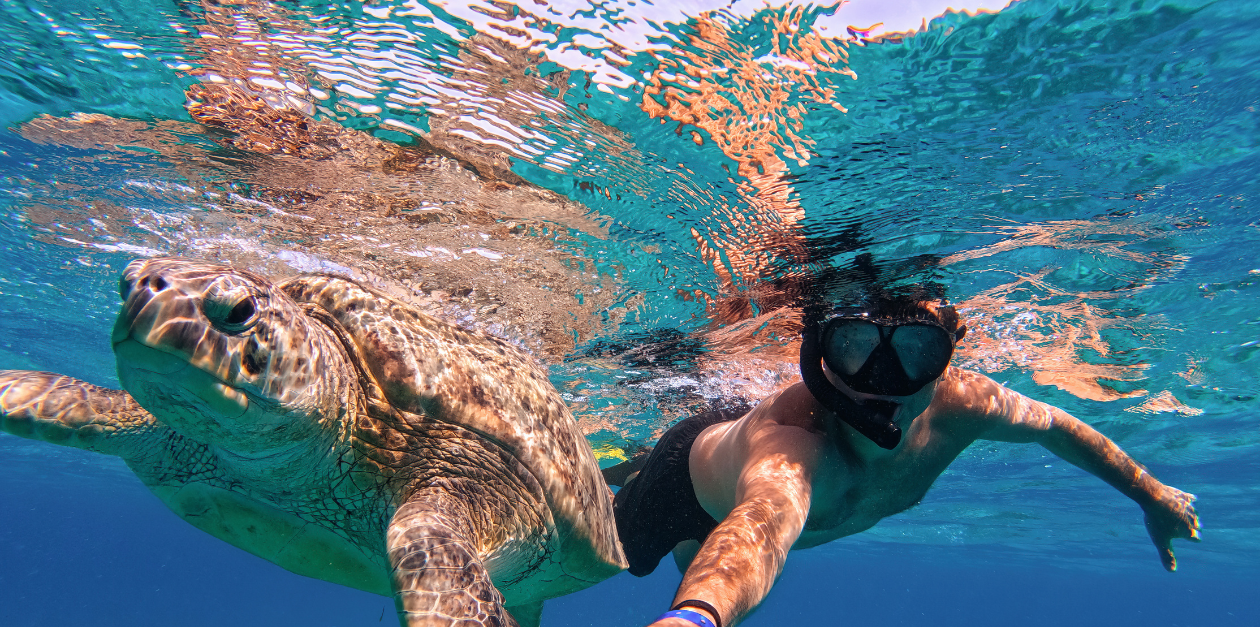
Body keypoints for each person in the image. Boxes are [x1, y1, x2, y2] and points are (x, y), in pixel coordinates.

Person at [607, 295, 1201, 627]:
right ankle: (624, 466)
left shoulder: (964, 405)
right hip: (680, 485)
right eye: (855, 350)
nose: (882, 382)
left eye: (915, 352)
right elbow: (762, 522)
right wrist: (696, 621)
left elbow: (1058, 428)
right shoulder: (796, 435)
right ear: (822, 357)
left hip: (717, 508)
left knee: (682, 560)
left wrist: (1151, 493)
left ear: (944, 360)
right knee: (598, 556)